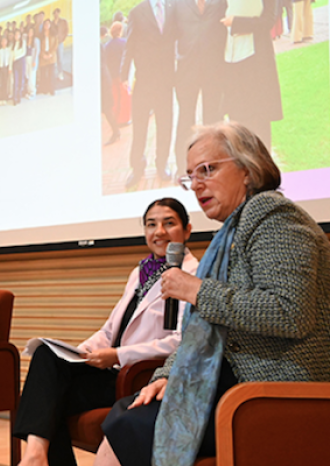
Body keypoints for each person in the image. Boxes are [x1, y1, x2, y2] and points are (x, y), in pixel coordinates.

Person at [95, 121, 330, 466]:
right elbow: (201, 334)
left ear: (248, 169)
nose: (197, 185)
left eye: (208, 169)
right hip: (232, 381)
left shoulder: (274, 215)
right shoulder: (229, 234)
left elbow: (288, 312)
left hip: (275, 387)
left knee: (129, 422)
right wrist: (166, 375)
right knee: (129, 411)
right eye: (191, 176)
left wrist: (196, 289)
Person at [14, 198, 199, 466]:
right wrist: (80, 352)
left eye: (168, 223)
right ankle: (35, 455)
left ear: (188, 230)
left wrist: (117, 355)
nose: (159, 231)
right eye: (151, 224)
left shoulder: (194, 274)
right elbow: (111, 328)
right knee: (47, 357)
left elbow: (182, 341)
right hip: (112, 371)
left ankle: (35, 460)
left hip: (140, 376)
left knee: (51, 399)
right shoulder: (140, 272)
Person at [121, 0, 177, 188]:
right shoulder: (137, 12)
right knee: (140, 128)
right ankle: (137, 167)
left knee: (165, 125)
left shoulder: (172, 8)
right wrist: (124, 75)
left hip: (166, 81)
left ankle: (162, 163)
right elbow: (129, 45)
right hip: (144, 80)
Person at [172, 0, 228, 178]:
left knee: (213, 120)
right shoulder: (177, 4)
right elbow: (170, 34)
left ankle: (214, 165)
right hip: (186, 71)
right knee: (185, 120)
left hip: (214, 70)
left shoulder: (220, 2)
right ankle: (183, 167)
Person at [220, 0, 283, 149]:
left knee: (259, 119)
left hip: (256, 61)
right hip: (230, 61)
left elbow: (268, 20)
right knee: (237, 122)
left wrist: (237, 22)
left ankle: (263, 169)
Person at [39, 20, 58, 96]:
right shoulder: (41, 36)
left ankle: (51, 89)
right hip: (43, 56)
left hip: (51, 56)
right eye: (45, 24)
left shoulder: (53, 34)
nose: (46, 25)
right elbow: (38, 46)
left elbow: (55, 45)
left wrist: (50, 54)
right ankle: (44, 89)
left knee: (51, 74)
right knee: (43, 74)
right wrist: (43, 55)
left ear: (50, 25)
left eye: (48, 24)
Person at [52, 8, 69, 81]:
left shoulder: (63, 21)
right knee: (53, 59)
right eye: (54, 13)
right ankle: (54, 74)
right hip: (52, 43)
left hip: (59, 42)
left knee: (60, 58)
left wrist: (63, 38)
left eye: (57, 13)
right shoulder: (52, 23)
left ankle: (60, 73)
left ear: (59, 13)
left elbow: (66, 30)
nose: (56, 14)